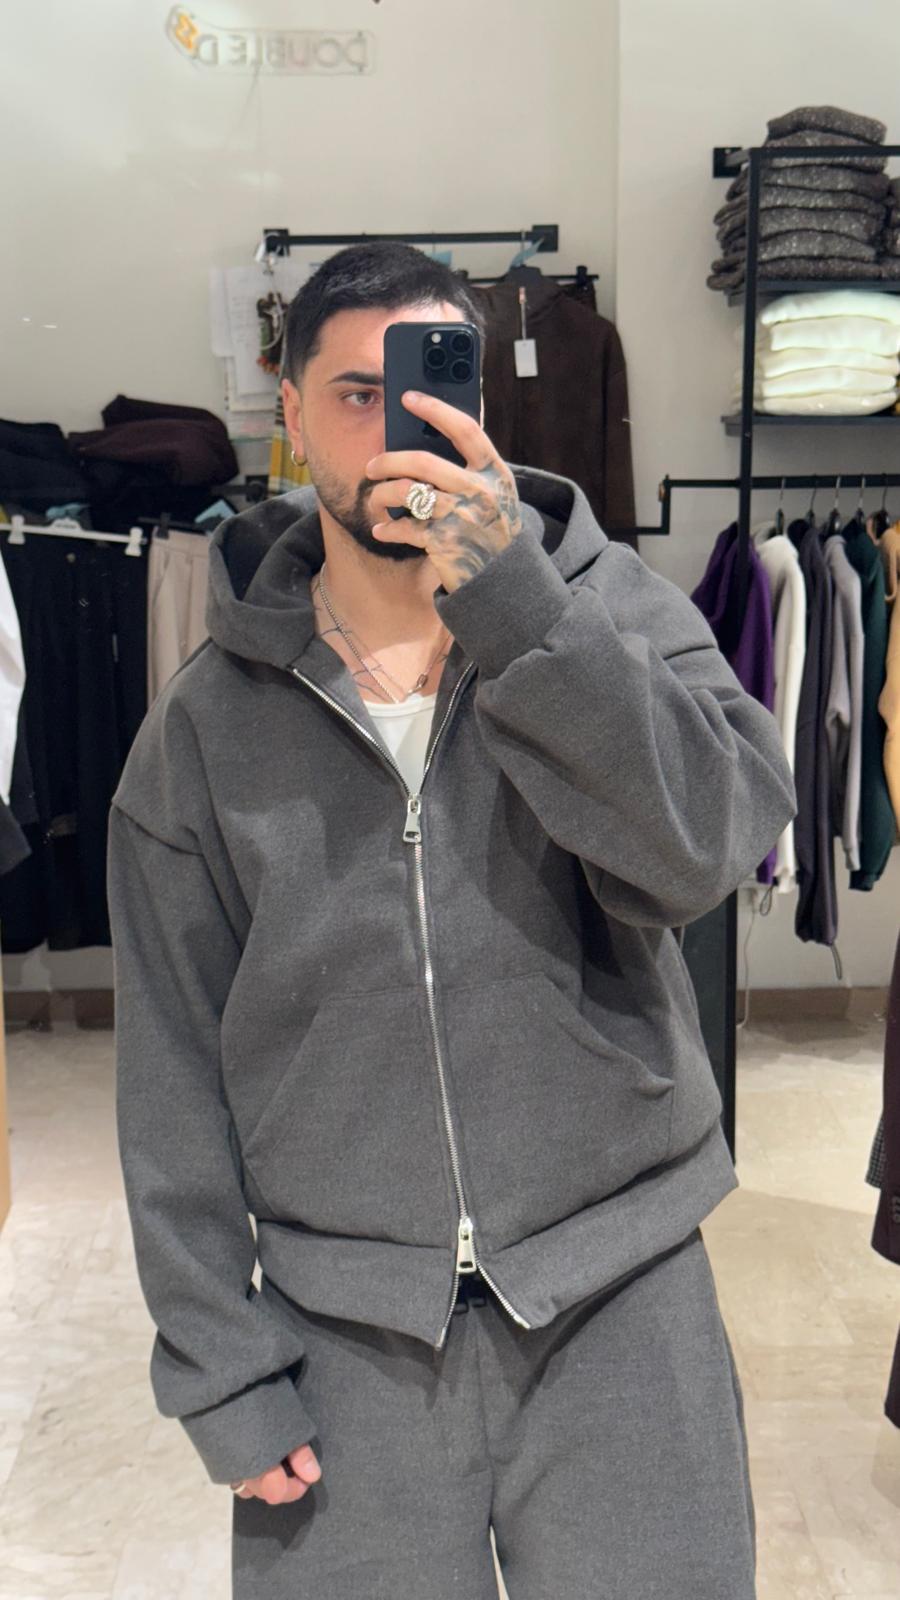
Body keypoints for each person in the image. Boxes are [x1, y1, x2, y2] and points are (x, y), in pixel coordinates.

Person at [108, 241, 797, 1600]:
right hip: (345, 1333)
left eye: (425, 388)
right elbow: (170, 1070)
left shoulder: (612, 609)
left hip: (621, 1295)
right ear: (290, 413)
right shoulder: (205, 727)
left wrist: (518, 608)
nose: (393, 431)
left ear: (480, 399)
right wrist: (220, 1363)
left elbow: (706, 851)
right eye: (354, 395)